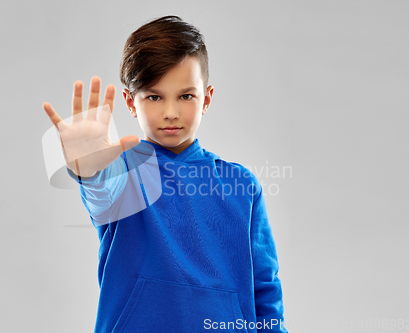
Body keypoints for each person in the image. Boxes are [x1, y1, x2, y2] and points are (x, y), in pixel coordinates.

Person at [43, 15, 288, 333]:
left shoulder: (242, 185)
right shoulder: (124, 172)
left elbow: (265, 291)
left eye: (185, 96)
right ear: (131, 102)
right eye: (154, 96)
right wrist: (90, 169)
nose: (170, 111)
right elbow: (100, 192)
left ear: (206, 99)